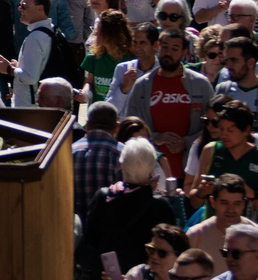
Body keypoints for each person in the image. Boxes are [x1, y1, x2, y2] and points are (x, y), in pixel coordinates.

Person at [123, 29, 213, 182]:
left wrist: (186, 142)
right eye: (165, 47)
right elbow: (130, 128)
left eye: (174, 49)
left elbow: (213, 127)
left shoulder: (200, 85)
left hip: (191, 174)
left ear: (184, 53)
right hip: (151, 175)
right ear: (158, 48)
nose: (168, 53)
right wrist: (155, 138)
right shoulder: (142, 85)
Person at [83, 137, 178, 275]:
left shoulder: (103, 197)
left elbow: (91, 239)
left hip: (107, 273)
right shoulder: (161, 206)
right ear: (151, 170)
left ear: (121, 166)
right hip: (146, 275)